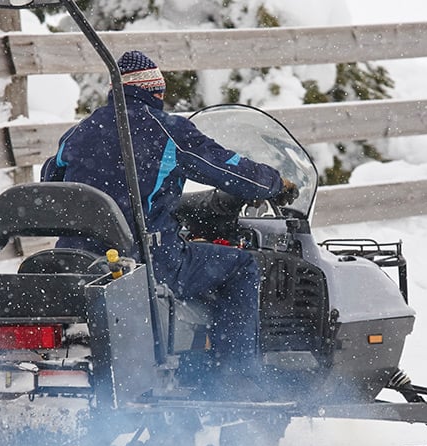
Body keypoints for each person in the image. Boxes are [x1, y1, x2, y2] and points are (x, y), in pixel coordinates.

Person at [41, 50, 298, 395]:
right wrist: (275, 183)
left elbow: (50, 182)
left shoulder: (78, 133)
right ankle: (236, 379)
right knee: (241, 267)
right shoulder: (168, 131)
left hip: (81, 260)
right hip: (145, 262)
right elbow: (230, 169)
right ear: (155, 92)